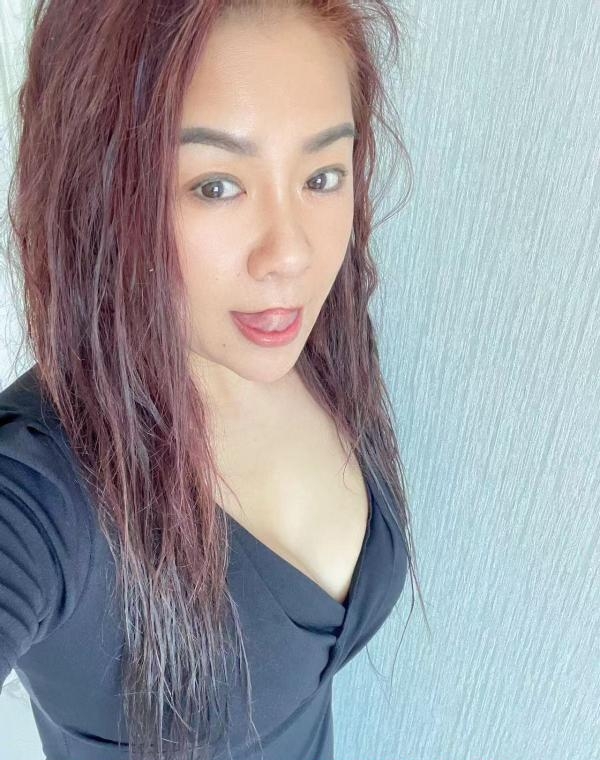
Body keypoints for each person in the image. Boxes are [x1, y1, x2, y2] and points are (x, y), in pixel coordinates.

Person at [0, 2, 426, 759]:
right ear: (97, 191)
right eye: (216, 186)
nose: (291, 255)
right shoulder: (40, 492)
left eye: (322, 175)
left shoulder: (317, 337)